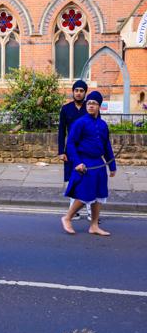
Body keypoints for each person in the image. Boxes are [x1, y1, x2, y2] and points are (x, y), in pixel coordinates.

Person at [61, 91, 116, 236]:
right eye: (89, 103)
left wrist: (112, 165)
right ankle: (67, 218)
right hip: (84, 162)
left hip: (99, 163)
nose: (91, 106)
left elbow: (107, 146)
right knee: (85, 194)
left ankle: (94, 226)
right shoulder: (80, 123)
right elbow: (71, 144)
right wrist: (77, 162)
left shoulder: (103, 125)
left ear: (99, 106)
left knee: (98, 194)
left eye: (94, 103)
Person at [58, 80, 91, 220]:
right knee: (73, 180)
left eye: (81, 91)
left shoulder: (90, 108)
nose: (78, 93)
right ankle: (74, 212)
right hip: (71, 151)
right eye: (76, 90)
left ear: (85, 93)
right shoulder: (66, 109)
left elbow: (97, 129)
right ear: (73, 92)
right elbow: (61, 131)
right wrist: (61, 151)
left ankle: (91, 212)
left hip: (87, 150)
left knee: (89, 179)